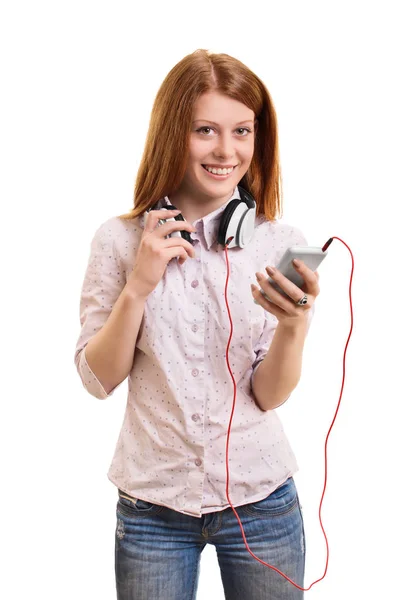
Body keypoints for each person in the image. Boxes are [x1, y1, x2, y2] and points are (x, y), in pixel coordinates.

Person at [74, 49, 320, 600]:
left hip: (261, 502)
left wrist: (294, 327)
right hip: (152, 508)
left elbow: (268, 394)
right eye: (205, 129)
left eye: (242, 131)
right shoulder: (117, 241)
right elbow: (97, 381)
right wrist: (139, 283)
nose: (226, 150)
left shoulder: (278, 242)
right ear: (172, 134)